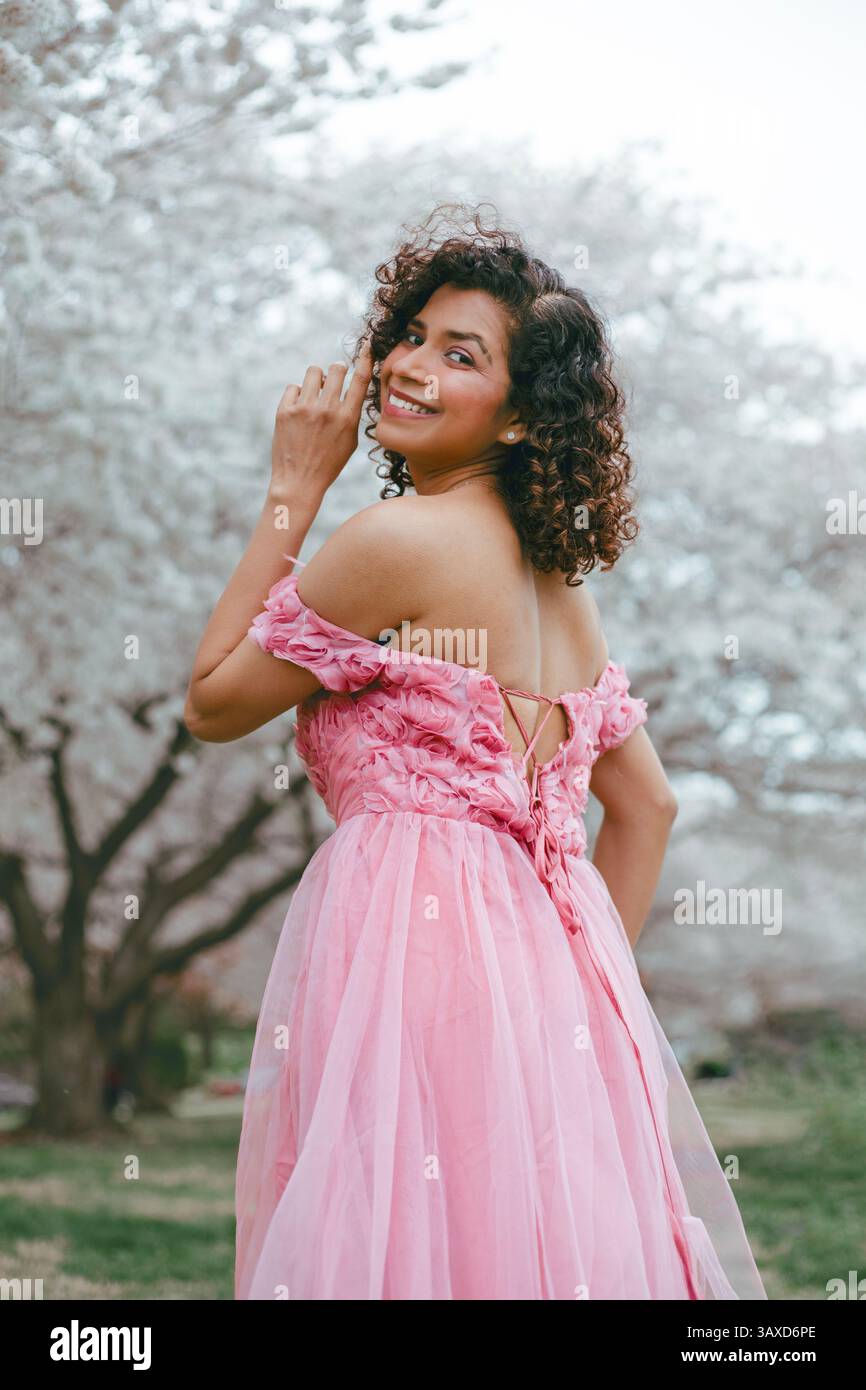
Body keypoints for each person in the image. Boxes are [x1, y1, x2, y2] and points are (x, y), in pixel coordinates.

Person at [185, 207, 767, 1301]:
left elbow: (213, 703)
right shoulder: (562, 588)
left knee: (406, 1247)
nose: (406, 366)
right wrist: (569, 989)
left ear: (517, 417)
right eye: (409, 335)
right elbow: (645, 810)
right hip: (535, 972)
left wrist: (295, 486)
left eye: (461, 356)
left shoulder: (396, 544)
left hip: (406, 956)